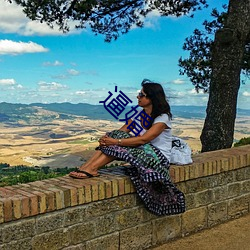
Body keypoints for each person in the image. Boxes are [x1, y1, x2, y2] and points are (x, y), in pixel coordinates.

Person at [69, 79, 185, 215]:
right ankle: (87, 167)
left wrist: (115, 141)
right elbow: (123, 131)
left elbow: (144, 139)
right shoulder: (139, 114)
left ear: (151, 98)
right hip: (143, 150)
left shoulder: (162, 117)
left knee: (117, 141)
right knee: (114, 135)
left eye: (142, 95)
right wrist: (107, 139)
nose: (138, 97)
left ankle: (92, 168)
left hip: (158, 158)